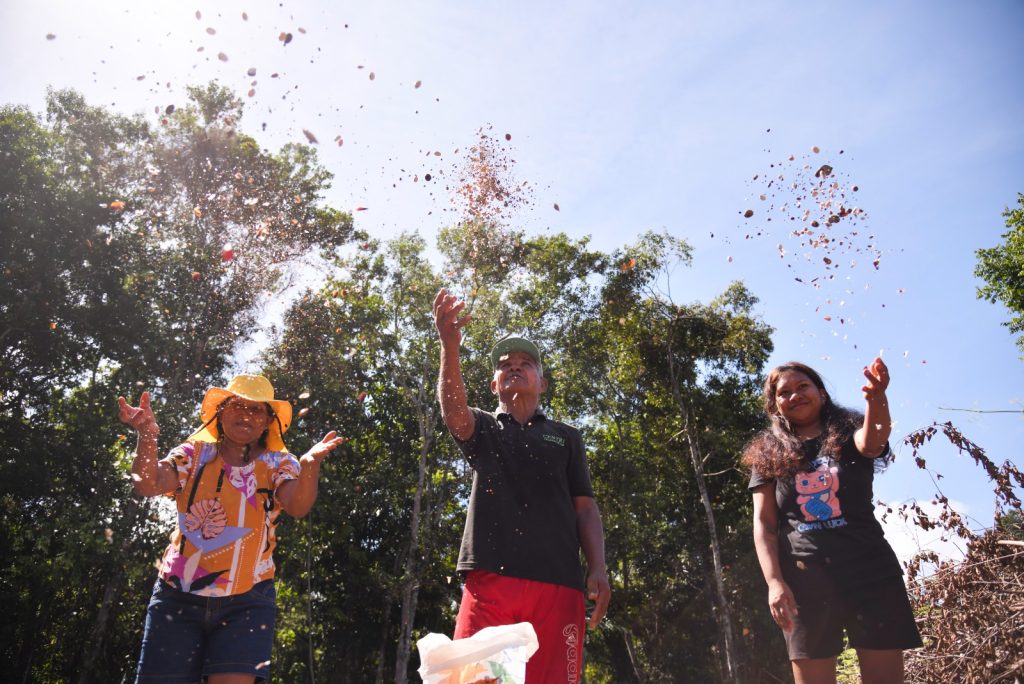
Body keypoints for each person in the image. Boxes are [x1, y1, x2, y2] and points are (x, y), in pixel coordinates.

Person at [432, 288, 611, 683]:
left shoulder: (566, 437)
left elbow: (584, 507)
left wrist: (597, 567)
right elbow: (453, 413)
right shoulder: (483, 427)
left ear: (542, 382)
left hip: (559, 586)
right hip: (490, 581)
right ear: (495, 385)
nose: (515, 367)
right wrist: (450, 345)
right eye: (505, 364)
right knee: (474, 680)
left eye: (526, 363)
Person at [117, 374, 344, 684]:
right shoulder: (194, 453)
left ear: (268, 422)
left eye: (256, 410)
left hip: (247, 600)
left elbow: (297, 505)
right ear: (220, 413)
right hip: (177, 596)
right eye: (237, 405)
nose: (246, 415)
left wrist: (309, 468)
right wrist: (147, 433)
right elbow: (148, 484)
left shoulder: (279, 462)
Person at [744, 358, 922, 684]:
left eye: (803, 387)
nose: (795, 395)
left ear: (821, 394)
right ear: (775, 405)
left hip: (870, 574)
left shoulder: (848, 434)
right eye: (784, 392)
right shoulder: (767, 453)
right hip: (803, 585)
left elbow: (873, 441)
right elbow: (765, 525)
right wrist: (774, 583)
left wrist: (876, 397)